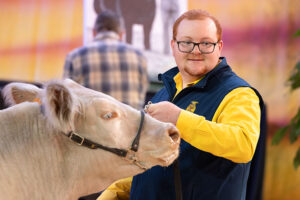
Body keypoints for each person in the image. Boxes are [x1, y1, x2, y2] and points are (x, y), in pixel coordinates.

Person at [98, 9, 264, 200]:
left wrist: (179, 119)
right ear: (173, 46)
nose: (196, 50)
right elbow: (149, 166)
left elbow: (243, 146)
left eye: (206, 43)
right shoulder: (166, 92)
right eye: (186, 42)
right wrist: (114, 192)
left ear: (219, 47)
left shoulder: (238, 93)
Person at [63, 10, 148, 110]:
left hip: (91, 125)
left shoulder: (75, 56)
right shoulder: (139, 56)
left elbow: (66, 102)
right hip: (131, 124)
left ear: (94, 32)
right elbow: (142, 95)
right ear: (121, 34)